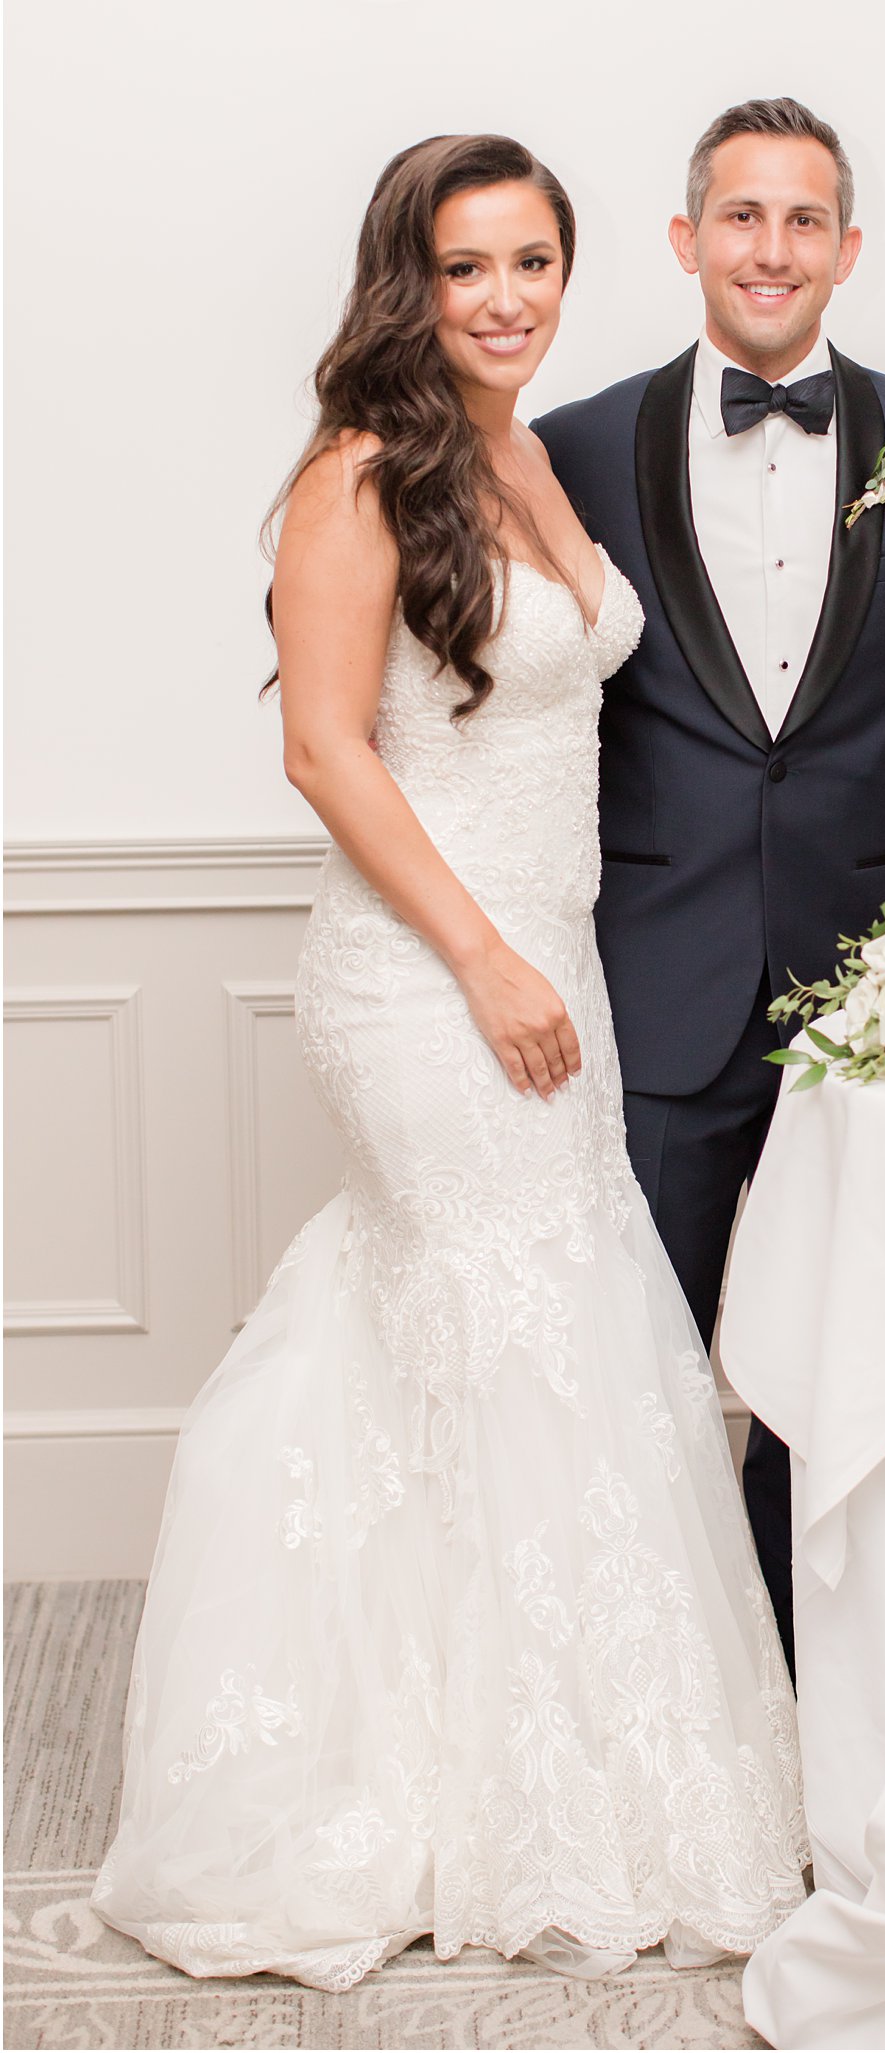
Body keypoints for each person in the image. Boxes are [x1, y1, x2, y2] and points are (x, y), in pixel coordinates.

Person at [91, 135, 808, 1991]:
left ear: (573, 271)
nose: (506, 296)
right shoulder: (355, 476)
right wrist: (481, 957)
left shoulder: (540, 455)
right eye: (467, 265)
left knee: (520, 1351)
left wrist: (542, 955)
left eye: (534, 261)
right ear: (405, 283)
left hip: (556, 967)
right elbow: (329, 753)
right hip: (430, 981)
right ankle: (475, 1796)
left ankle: (530, 1769)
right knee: (521, 1341)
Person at [535, 98, 885, 1668]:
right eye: (740, 217)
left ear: (848, 250)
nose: (771, 248)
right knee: (644, 1357)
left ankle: (807, 1676)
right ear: (686, 241)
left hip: (871, 997)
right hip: (652, 977)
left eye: (803, 220)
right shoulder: (573, 448)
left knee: (839, 1361)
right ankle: (659, 1685)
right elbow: (546, 711)